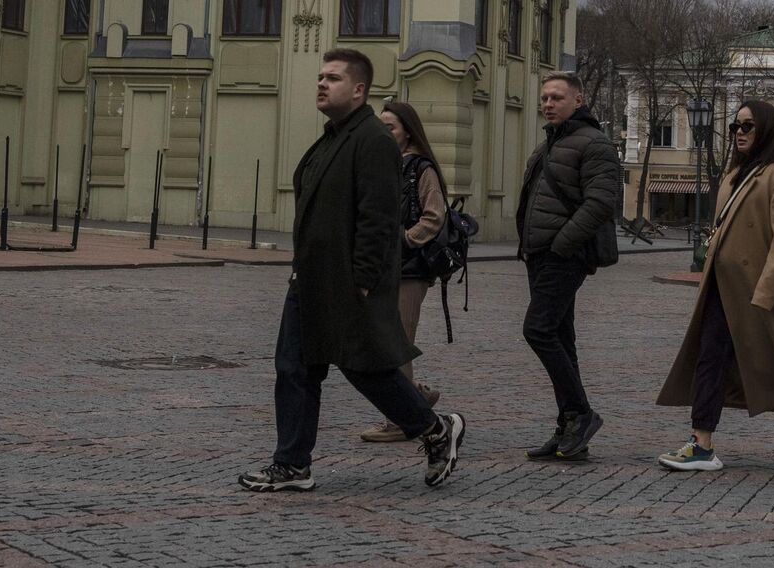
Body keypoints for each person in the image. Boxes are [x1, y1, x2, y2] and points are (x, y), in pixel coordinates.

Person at [237, 49, 465, 492]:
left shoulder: (373, 140)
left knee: (366, 369)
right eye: (321, 77)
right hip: (312, 277)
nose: (322, 84)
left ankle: (436, 429)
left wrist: (362, 279)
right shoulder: (332, 137)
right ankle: (293, 464)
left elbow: (379, 219)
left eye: (334, 78)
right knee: (295, 368)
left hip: (348, 281)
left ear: (359, 90)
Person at [654, 99, 774, 472]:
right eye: (735, 127)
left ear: (766, 130)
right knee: (709, 358)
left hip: (763, 293)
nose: (739, 133)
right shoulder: (733, 175)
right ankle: (701, 443)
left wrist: (766, 293)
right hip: (723, 287)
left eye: (747, 126)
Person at [515, 71, 621, 461]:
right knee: (560, 336)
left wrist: (562, 245)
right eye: (544, 97)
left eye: (557, 97)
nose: (548, 104)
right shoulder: (549, 144)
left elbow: (600, 203)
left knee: (538, 329)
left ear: (578, 100)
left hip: (564, 254)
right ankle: (569, 428)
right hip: (539, 254)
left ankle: (581, 413)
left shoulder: (594, 144)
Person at [359, 100, 450, 442]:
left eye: (391, 127)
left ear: (407, 132)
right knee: (384, 341)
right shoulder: (385, 164)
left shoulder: (420, 168)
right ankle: (416, 397)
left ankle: (399, 420)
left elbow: (434, 215)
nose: (385, 133)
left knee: (396, 343)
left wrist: (406, 241)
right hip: (382, 268)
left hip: (409, 270)